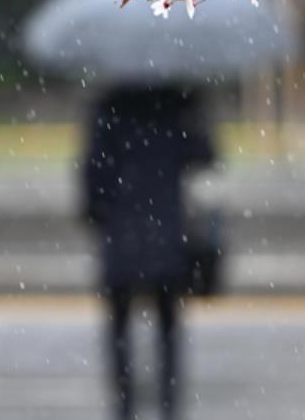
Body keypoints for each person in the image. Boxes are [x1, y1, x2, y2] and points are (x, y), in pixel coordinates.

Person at [81, 85, 216, 420]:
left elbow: (93, 176)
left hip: (122, 234)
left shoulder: (109, 110)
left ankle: (124, 404)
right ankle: (169, 404)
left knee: (120, 325)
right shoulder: (177, 107)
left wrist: (98, 215)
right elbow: (205, 158)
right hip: (166, 233)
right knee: (168, 325)